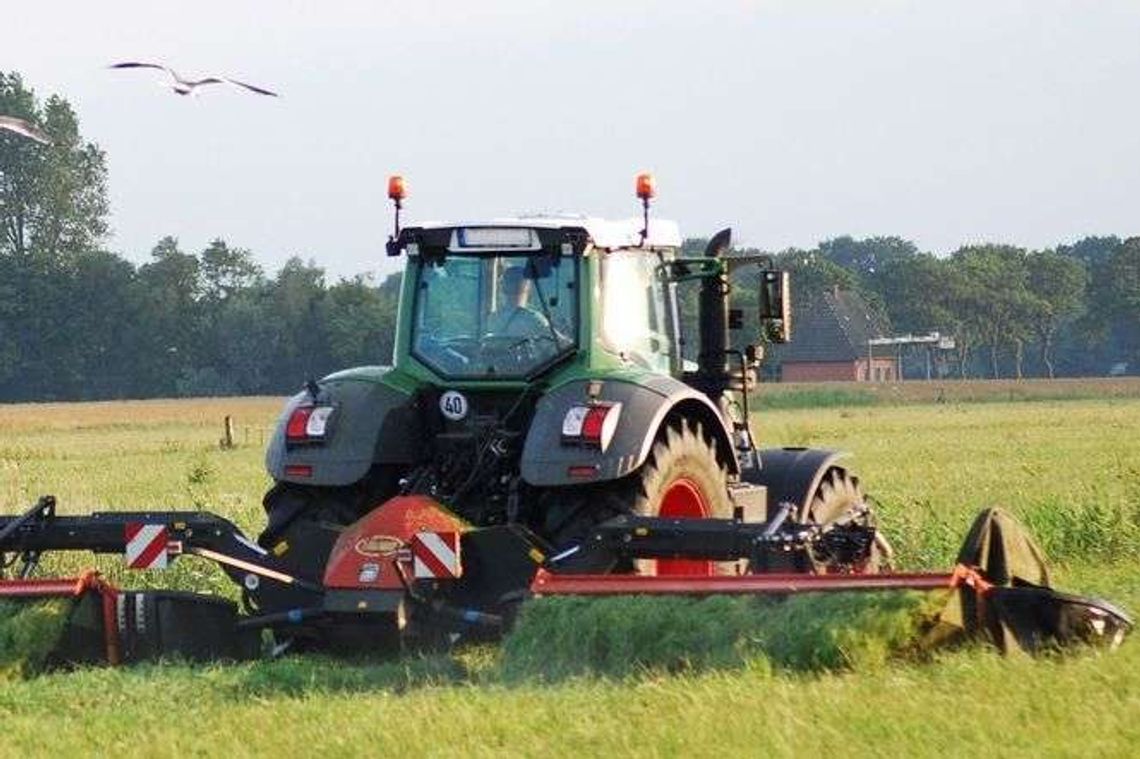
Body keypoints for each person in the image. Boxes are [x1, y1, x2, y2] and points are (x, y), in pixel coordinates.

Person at [486, 265, 552, 338]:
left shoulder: (494, 319)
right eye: (510, 283)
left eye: (516, 284)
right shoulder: (535, 319)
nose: (513, 287)